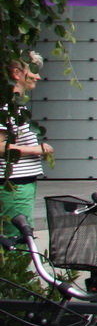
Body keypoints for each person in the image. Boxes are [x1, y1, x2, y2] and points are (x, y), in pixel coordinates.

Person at [1, 55, 48, 230]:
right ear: (16, 73)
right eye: (33, 71)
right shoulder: (6, 107)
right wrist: (35, 150)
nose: (38, 77)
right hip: (15, 185)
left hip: (22, 183)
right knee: (18, 237)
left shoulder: (17, 106)